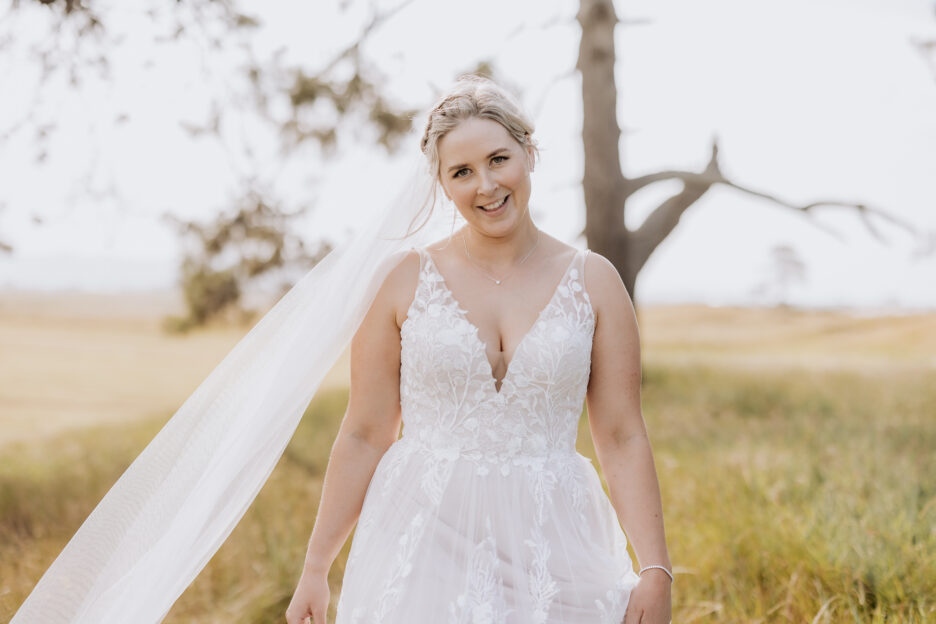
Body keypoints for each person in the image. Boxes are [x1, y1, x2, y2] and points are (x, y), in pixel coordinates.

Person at [285, 76, 672, 624]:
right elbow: (365, 431)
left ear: (529, 153)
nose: (486, 185)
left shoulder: (595, 282)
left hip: (553, 543)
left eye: (498, 159)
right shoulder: (402, 281)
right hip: (421, 540)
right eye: (462, 172)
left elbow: (622, 433)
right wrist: (316, 566)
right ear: (442, 184)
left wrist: (656, 568)